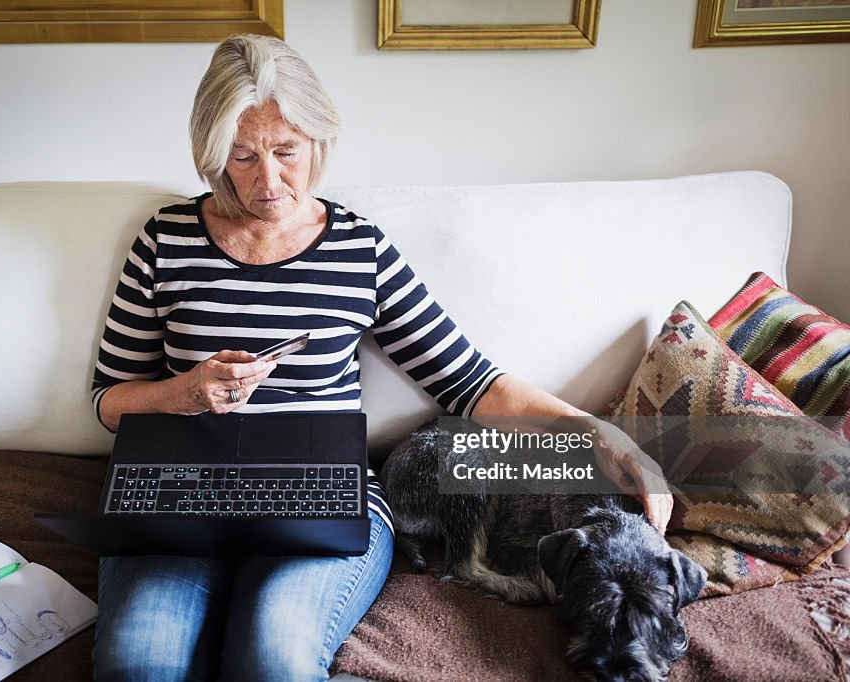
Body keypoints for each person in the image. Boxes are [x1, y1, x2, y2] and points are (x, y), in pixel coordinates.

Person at [90, 34, 672, 682]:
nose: (269, 180)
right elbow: (109, 402)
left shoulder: (358, 249)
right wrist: (186, 393)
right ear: (212, 150)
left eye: (286, 151)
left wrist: (600, 437)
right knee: (136, 665)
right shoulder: (165, 240)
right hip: (183, 495)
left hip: (324, 499)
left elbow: (473, 384)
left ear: (318, 139)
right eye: (242, 156)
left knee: (271, 659)